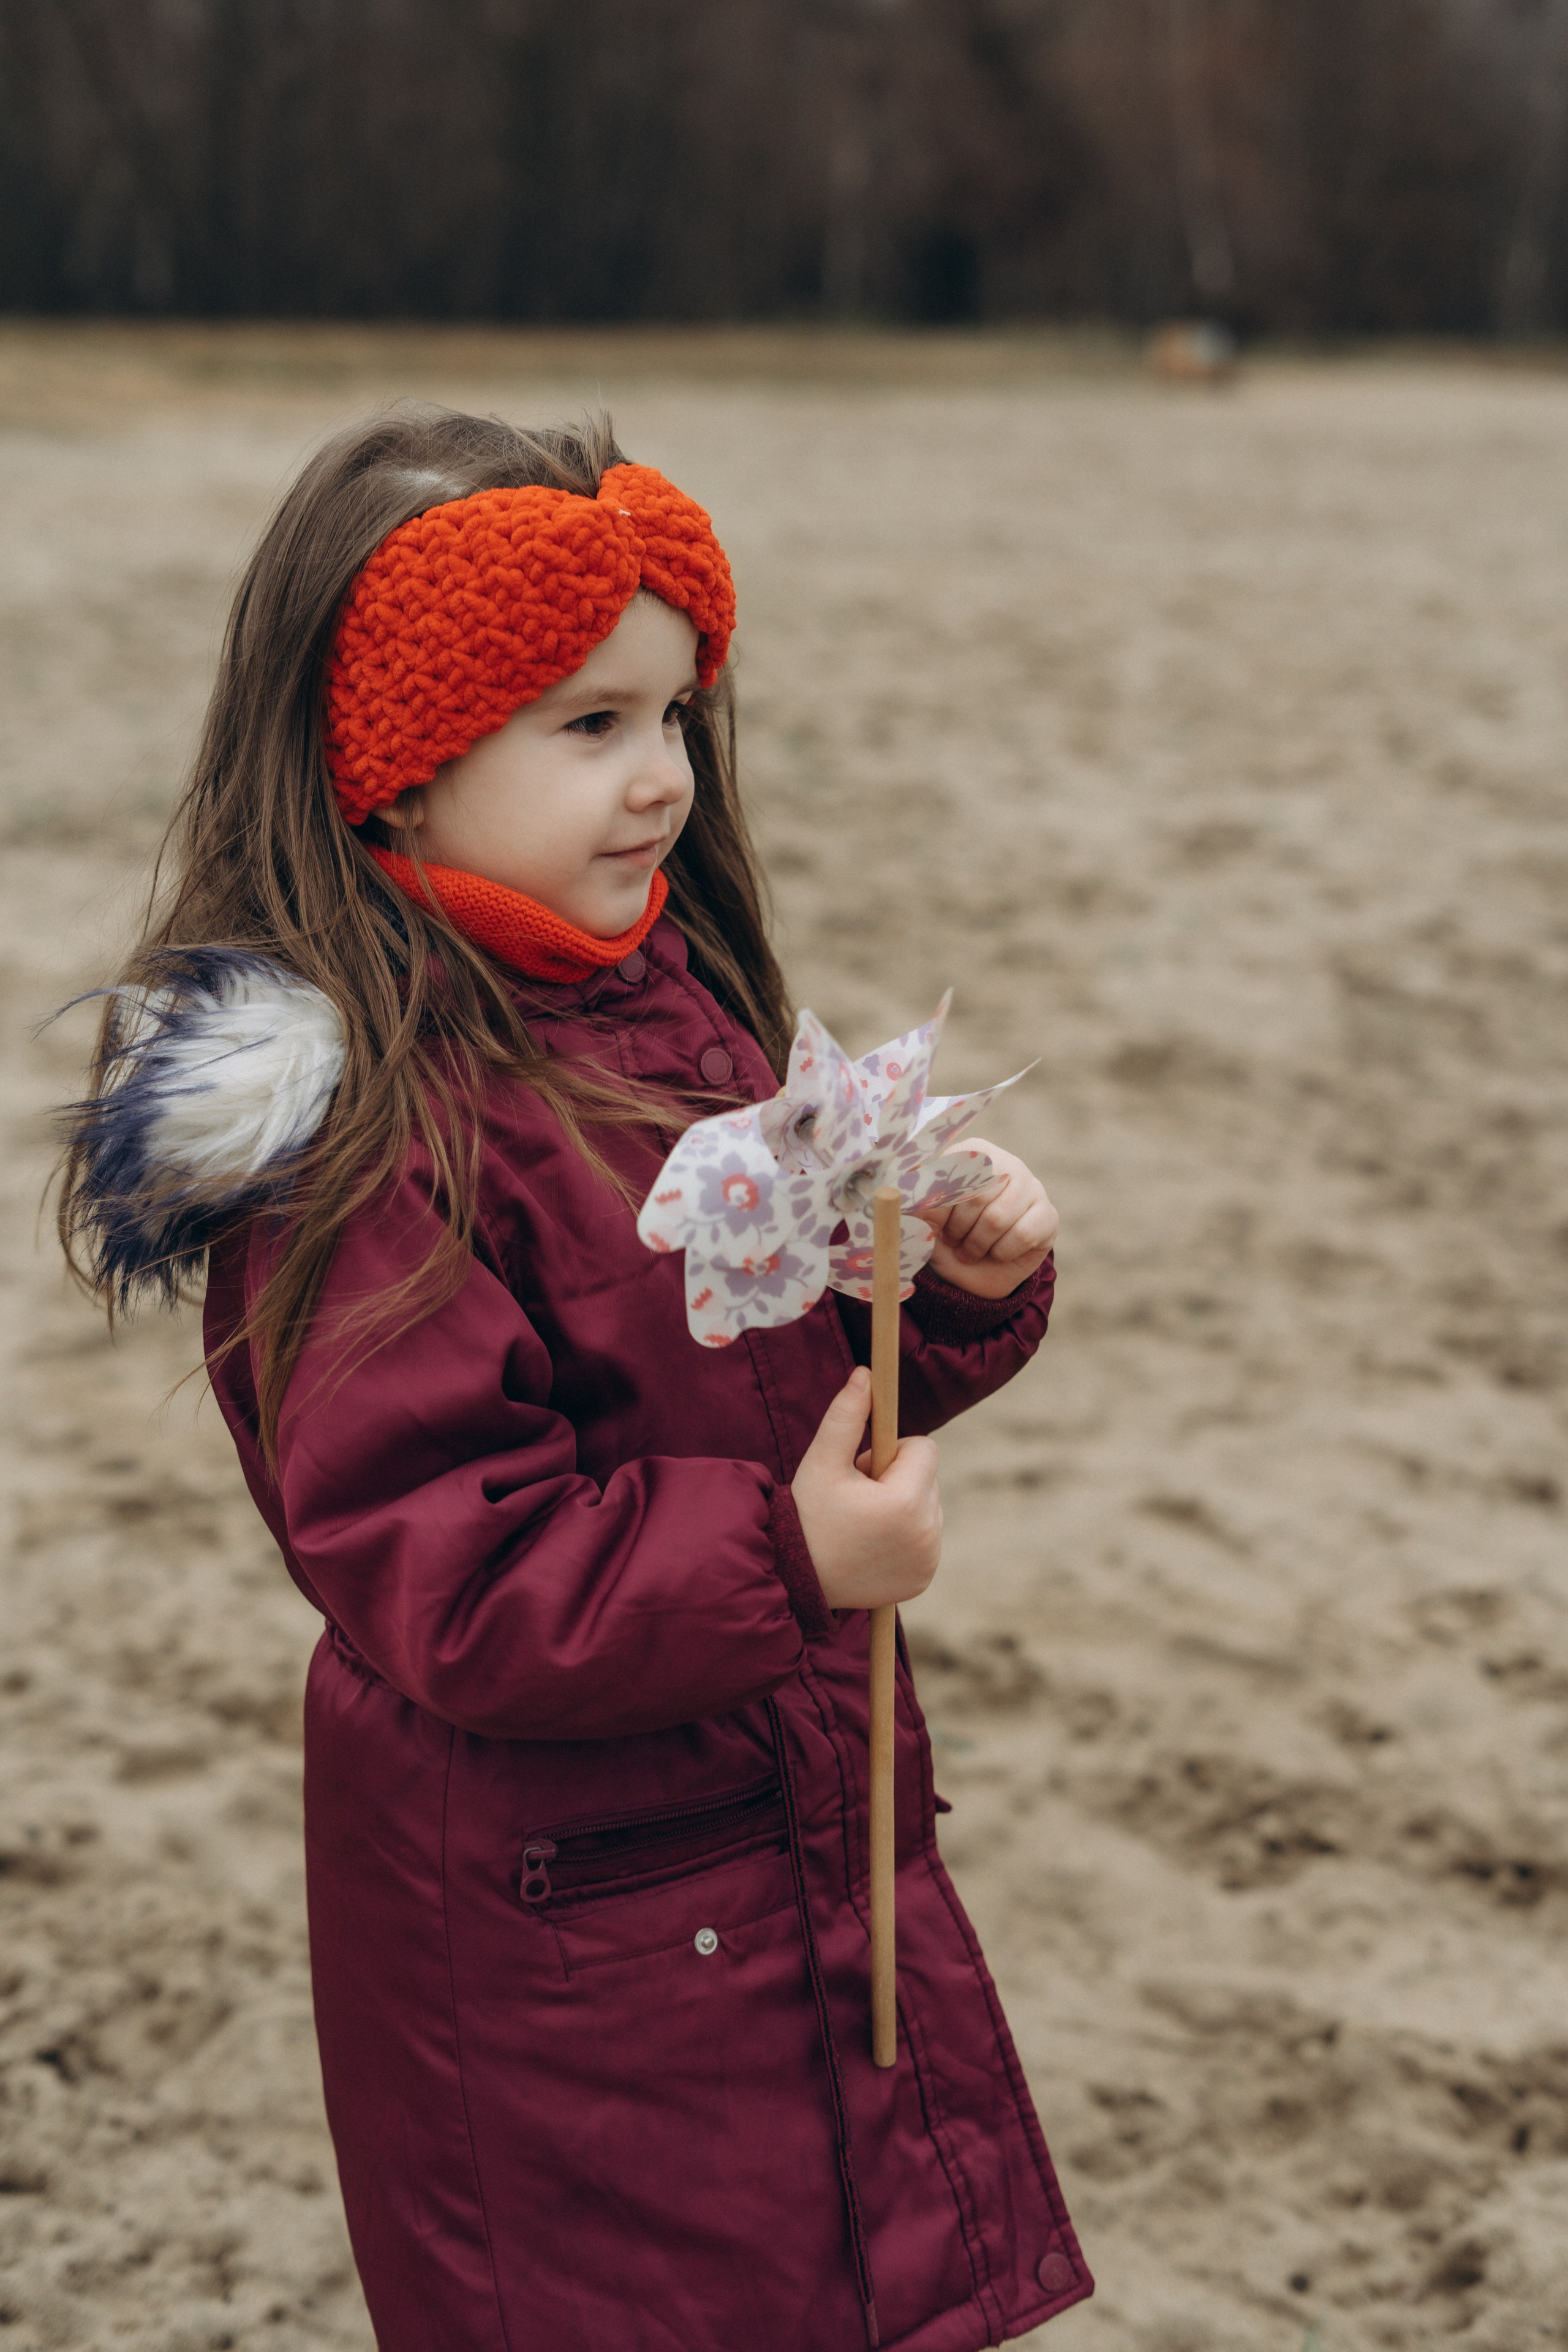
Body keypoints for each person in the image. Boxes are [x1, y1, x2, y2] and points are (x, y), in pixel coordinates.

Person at [58, 408, 1092, 2350]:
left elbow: (759, 1368)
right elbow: (449, 1570)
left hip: (766, 1828)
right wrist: (788, 1566)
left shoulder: (662, 998)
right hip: (572, 1937)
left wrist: (929, 1300)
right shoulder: (367, 1135)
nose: (663, 784)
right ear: (395, 772)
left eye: (675, 717)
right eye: (588, 728)